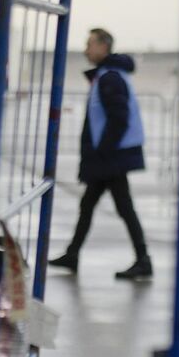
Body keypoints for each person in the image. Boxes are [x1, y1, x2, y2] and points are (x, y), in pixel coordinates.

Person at [51, 28, 152, 281]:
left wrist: (103, 152)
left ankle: (143, 259)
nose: (86, 49)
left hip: (111, 157)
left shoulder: (110, 78)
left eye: (90, 44)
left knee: (122, 207)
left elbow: (119, 118)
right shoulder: (108, 75)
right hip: (110, 156)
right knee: (90, 205)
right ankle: (73, 254)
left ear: (103, 47)